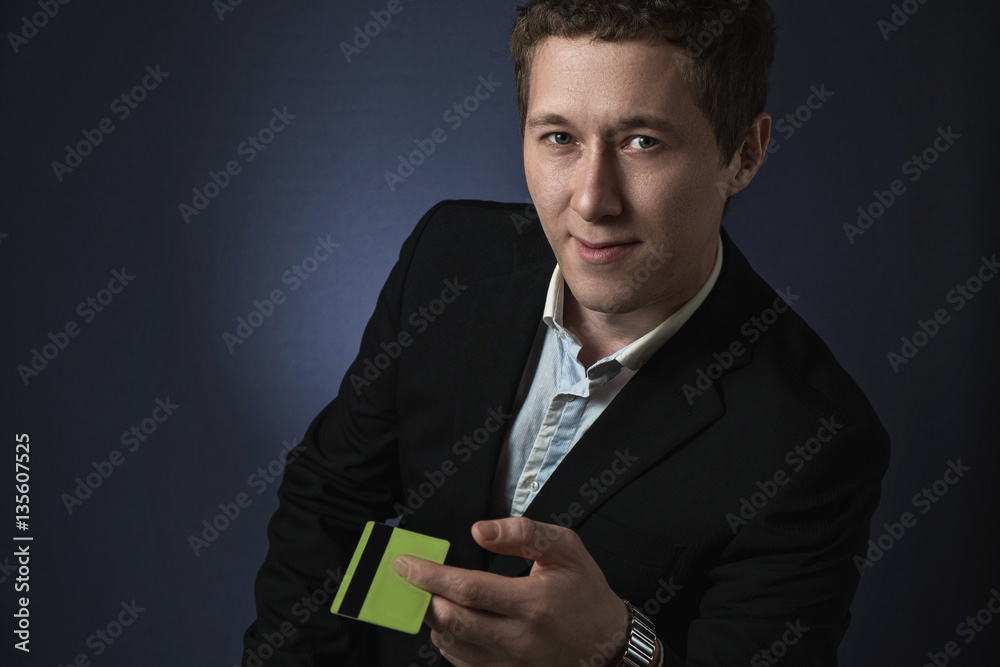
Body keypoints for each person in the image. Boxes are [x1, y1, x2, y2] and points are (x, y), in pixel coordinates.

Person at [243, 1, 890, 665]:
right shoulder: (451, 256)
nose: (591, 200)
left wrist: (616, 649)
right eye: (560, 137)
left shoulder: (814, 434)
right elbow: (327, 506)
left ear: (744, 154)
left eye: (642, 141)